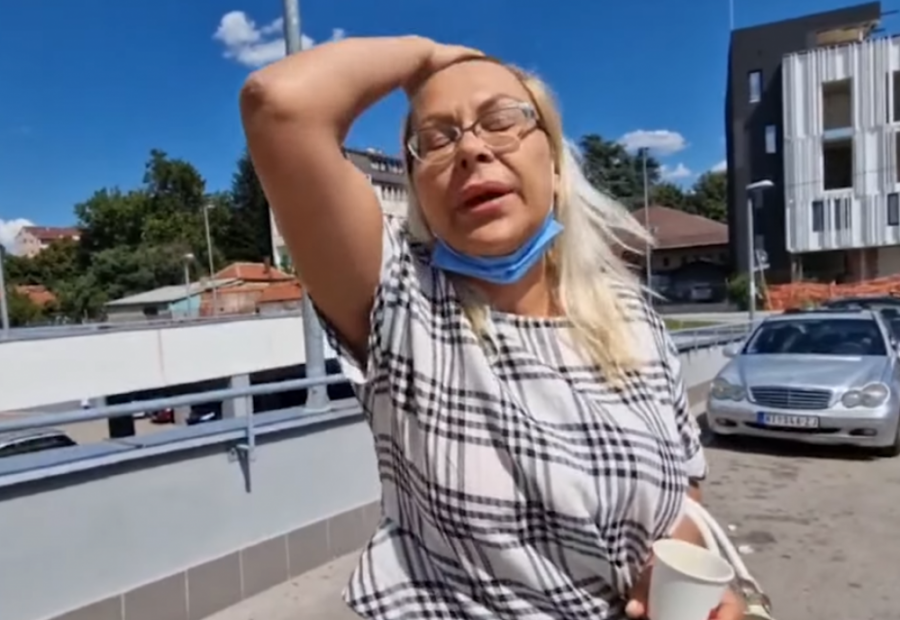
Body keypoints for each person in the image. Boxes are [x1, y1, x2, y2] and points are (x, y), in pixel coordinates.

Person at [240, 35, 744, 620]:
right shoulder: (402, 304)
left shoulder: (632, 320)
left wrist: (675, 572)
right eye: (437, 138)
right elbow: (279, 104)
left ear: (555, 165)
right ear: (418, 190)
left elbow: (685, 491)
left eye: (502, 121)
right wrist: (429, 55)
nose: (472, 149)